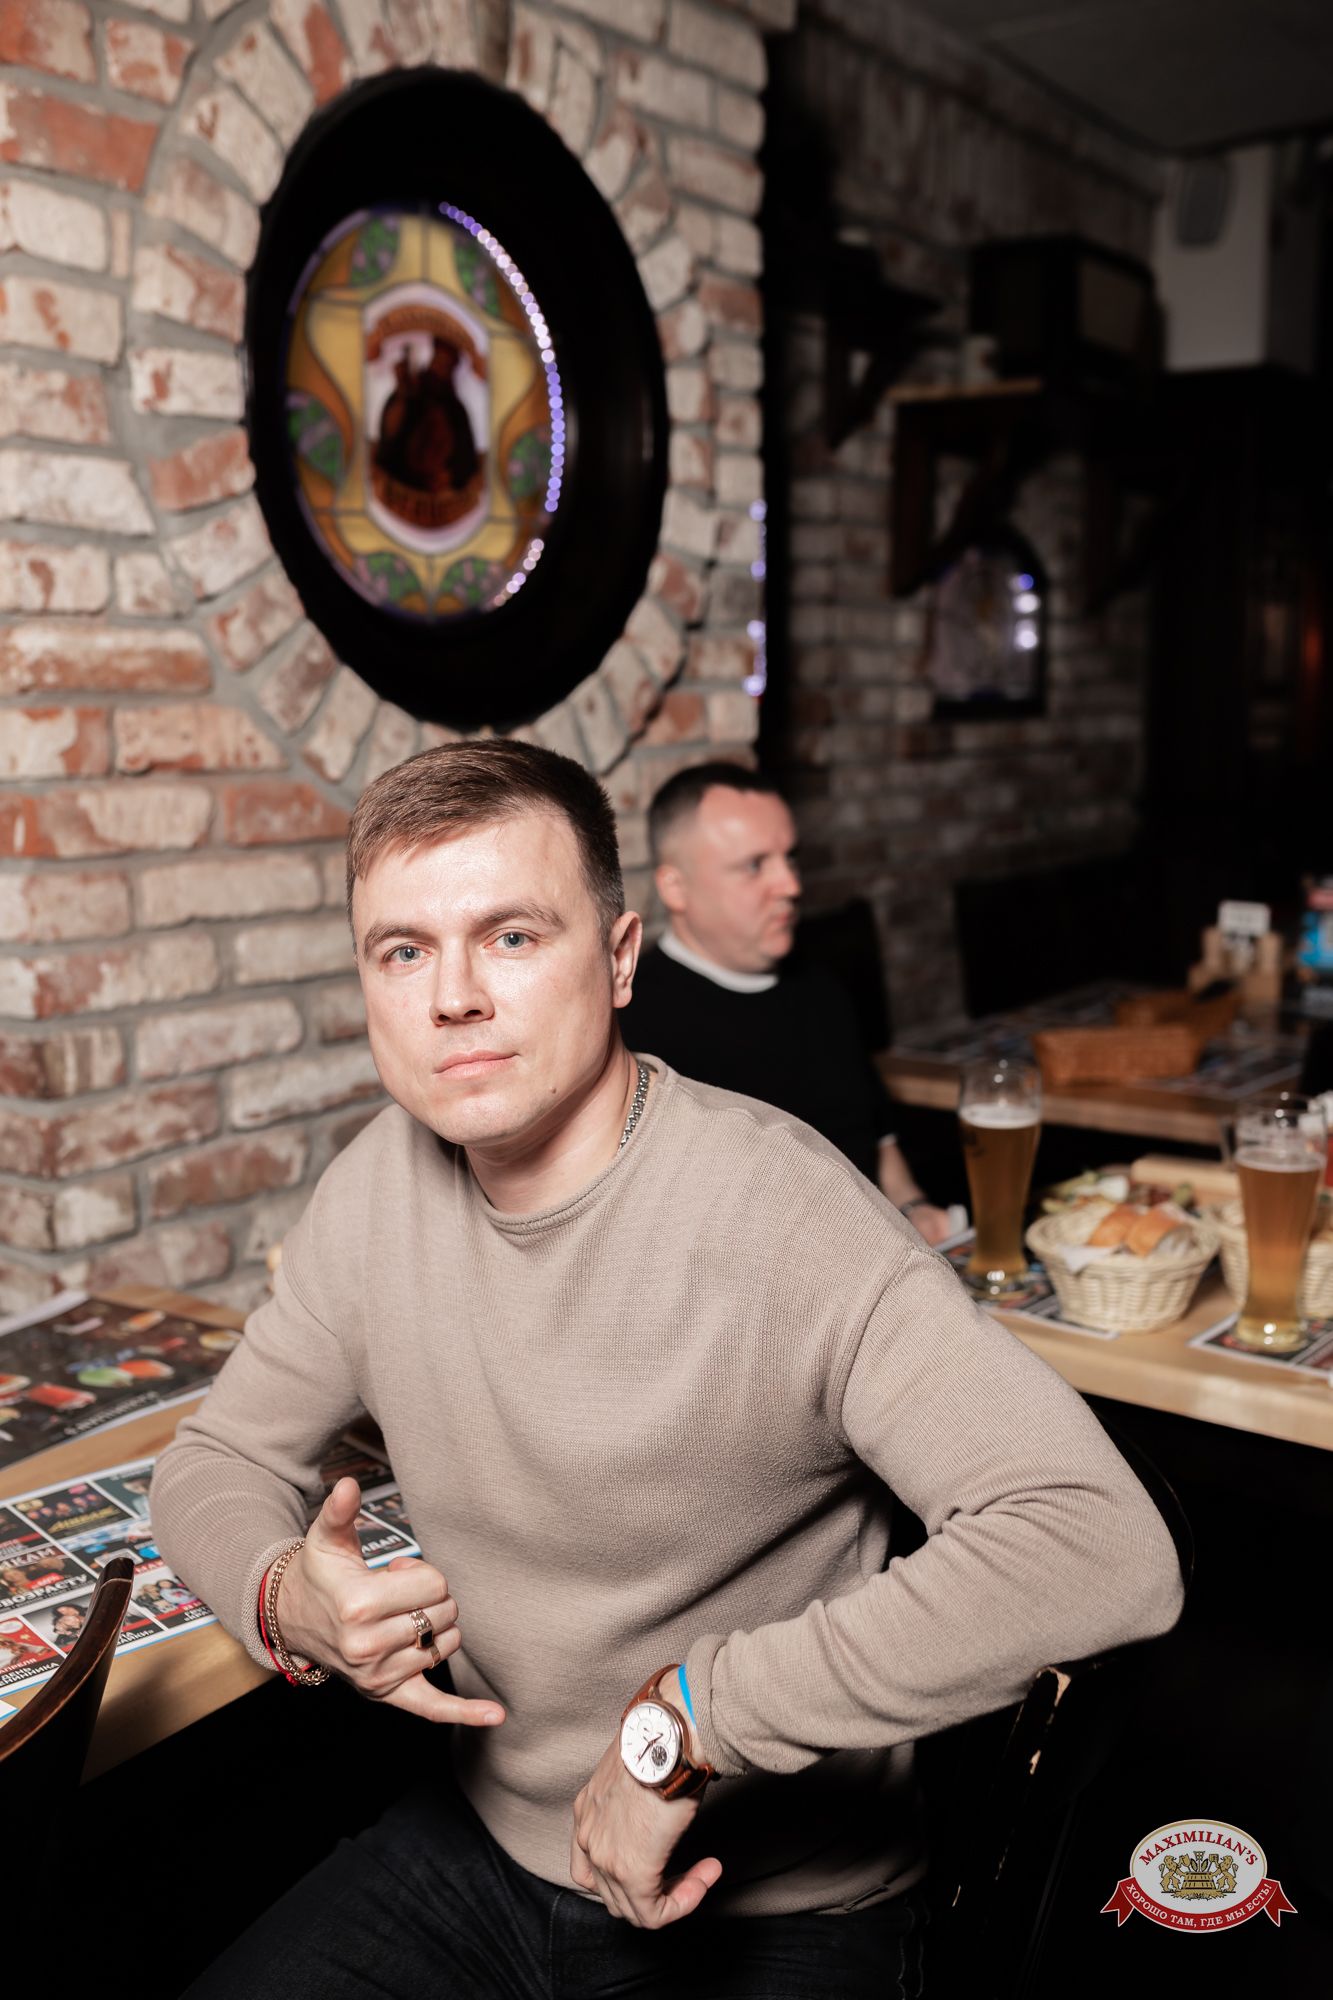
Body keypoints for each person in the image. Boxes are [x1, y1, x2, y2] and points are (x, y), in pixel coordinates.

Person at [150, 740, 1182, 1999]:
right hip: (481, 1849)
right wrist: (285, 1601)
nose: (453, 996)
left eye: (511, 936)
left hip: (778, 1896)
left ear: (621, 956)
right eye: (403, 950)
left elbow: (1098, 1542)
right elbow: (215, 1458)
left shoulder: (782, 1209)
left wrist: (695, 1720)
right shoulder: (375, 1185)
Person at [621, 763, 956, 1245]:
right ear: (675, 887)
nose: (791, 886)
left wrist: (914, 1207)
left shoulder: (820, 987)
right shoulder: (633, 1024)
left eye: (790, 859)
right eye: (755, 865)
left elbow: (878, 1141)